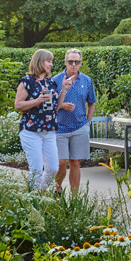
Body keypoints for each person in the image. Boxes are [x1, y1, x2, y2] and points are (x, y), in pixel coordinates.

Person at [14, 49, 73, 190]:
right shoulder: (26, 82)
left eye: (51, 61)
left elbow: (56, 106)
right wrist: (36, 101)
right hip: (31, 131)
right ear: (39, 61)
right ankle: (33, 201)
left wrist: (64, 90)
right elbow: (18, 105)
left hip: (49, 131)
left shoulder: (50, 82)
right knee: (36, 169)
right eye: (48, 61)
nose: (51, 64)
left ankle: (40, 193)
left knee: (53, 168)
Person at [52, 49, 97, 194]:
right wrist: (62, 105)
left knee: (75, 163)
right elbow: (49, 105)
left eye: (76, 62)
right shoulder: (56, 80)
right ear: (65, 62)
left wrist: (88, 121)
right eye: (70, 62)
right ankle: (57, 189)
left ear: (80, 63)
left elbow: (92, 102)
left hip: (79, 127)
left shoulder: (86, 80)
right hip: (60, 127)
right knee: (61, 162)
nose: (73, 65)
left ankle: (75, 197)